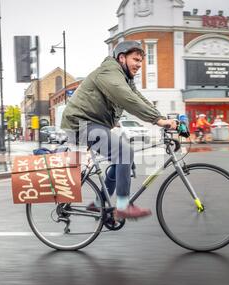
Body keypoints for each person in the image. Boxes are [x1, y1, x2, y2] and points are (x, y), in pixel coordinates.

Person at [61, 40, 177, 220]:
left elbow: (137, 97)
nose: (139, 65)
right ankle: (123, 207)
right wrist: (159, 120)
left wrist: (162, 118)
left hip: (93, 123)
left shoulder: (125, 78)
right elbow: (126, 98)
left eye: (141, 61)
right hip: (80, 124)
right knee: (124, 152)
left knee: (122, 158)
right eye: (136, 60)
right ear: (122, 58)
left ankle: (98, 204)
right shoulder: (110, 72)